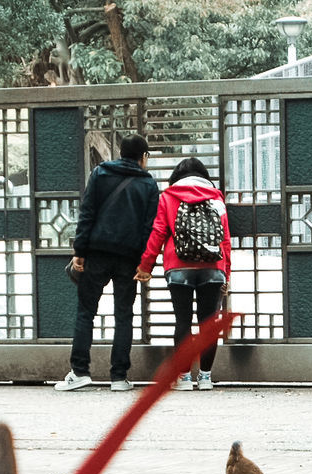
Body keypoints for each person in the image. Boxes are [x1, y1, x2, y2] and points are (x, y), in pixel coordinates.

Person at [55, 134, 160, 393]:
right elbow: (150, 228)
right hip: (129, 259)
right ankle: (119, 378)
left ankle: (79, 372)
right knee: (124, 315)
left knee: (86, 312)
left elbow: (87, 213)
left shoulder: (100, 174)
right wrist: (145, 263)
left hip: (97, 253)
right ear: (143, 157)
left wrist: (79, 251)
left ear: (121, 153)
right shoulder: (149, 185)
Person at [136, 157, 231, 391]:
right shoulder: (215, 197)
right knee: (208, 323)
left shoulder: (169, 196)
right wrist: (226, 273)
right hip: (212, 267)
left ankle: (185, 377)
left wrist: (145, 266)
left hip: (178, 267)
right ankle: (206, 377)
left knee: (183, 322)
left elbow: (158, 231)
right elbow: (225, 238)